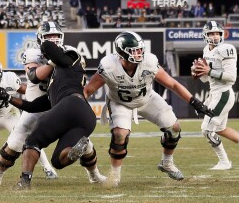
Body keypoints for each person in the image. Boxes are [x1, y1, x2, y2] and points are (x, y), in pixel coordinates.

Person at [84, 31, 214, 187]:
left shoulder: (149, 62)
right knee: (120, 134)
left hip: (147, 99)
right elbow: (88, 90)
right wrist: (75, 108)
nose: (139, 53)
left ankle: (167, 163)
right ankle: (115, 175)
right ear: (122, 52)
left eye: (140, 49)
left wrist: (195, 102)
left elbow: (172, 84)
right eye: (134, 50)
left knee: (174, 128)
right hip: (120, 103)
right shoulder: (109, 65)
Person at [0, 38, 105, 190]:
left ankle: (25, 181)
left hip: (69, 104)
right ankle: (73, 152)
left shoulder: (70, 58)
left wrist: (48, 57)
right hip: (86, 116)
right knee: (58, 161)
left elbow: (47, 45)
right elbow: (31, 106)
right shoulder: (57, 84)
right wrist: (8, 97)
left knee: (32, 141)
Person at [0, 23, 60, 186]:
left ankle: (94, 175)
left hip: (59, 103)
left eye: (56, 37)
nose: (53, 40)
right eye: (48, 37)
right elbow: (33, 76)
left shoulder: (69, 52)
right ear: (40, 39)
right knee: (14, 144)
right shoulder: (33, 54)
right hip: (36, 105)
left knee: (82, 139)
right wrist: (53, 62)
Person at [191, 21, 239, 171]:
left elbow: (231, 77)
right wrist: (196, 71)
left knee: (207, 130)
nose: (215, 36)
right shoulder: (206, 50)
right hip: (214, 93)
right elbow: (206, 78)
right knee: (219, 129)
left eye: (217, 33)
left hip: (223, 94)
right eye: (211, 33)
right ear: (205, 35)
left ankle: (224, 162)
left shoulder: (226, 49)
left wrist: (208, 71)